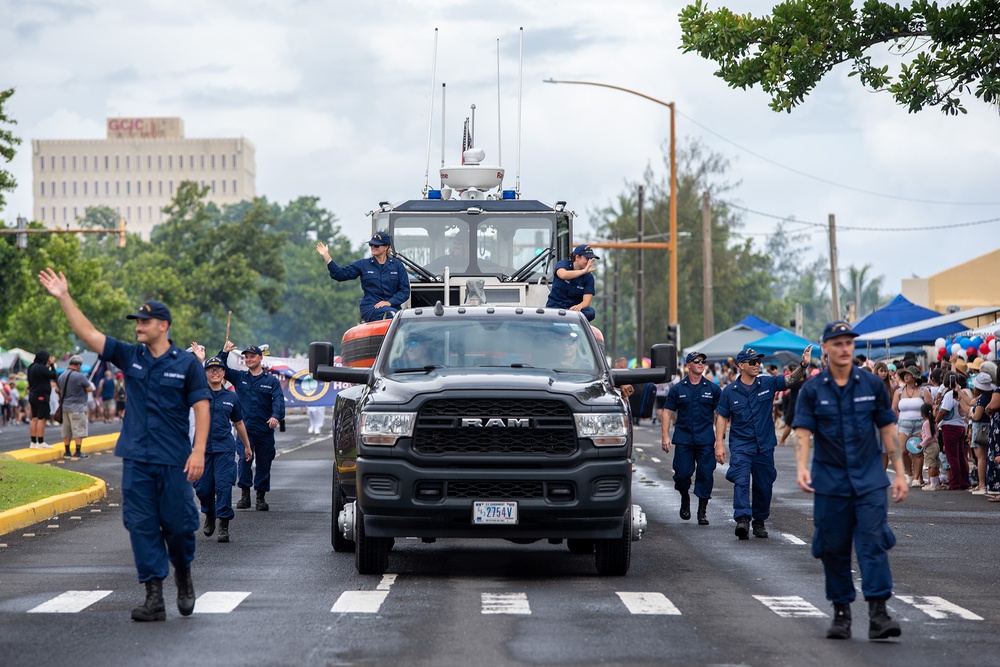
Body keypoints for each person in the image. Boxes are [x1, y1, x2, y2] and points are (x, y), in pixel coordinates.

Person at [38, 268, 210, 622]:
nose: (137, 327)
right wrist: (63, 297)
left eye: (144, 322)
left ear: (163, 325)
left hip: (175, 459)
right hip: (136, 458)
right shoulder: (130, 356)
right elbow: (87, 334)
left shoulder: (187, 364)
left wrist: (198, 451)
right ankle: (154, 596)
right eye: (136, 322)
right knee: (142, 525)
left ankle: (184, 574)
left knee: (178, 525)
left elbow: (202, 407)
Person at [793, 320, 907, 641]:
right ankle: (841, 612)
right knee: (833, 547)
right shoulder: (813, 389)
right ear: (825, 348)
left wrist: (899, 472)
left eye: (849, 343)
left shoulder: (870, 384)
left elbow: (887, 429)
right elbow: (802, 431)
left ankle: (878, 613)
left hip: (870, 480)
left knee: (873, 543)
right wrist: (802, 467)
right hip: (830, 482)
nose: (844, 349)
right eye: (837, 343)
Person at [715, 344, 811, 540]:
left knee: (764, 484)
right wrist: (719, 444)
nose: (757, 364)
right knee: (741, 481)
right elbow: (722, 417)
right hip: (741, 445)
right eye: (753, 362)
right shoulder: (729, 391)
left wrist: (803, 365)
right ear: (741, 365)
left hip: (764, 445)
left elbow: (790, 380)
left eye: (759, 361)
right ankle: (742, 519)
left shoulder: (767, 383)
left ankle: (759, 521)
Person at [191, 351, 252, 543]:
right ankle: (209, 513)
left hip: (225, 449)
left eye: (218, 369)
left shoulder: (231, 398)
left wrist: (247, 447)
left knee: (224, 487)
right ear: (206, 373)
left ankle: (223, 524)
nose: (215, 372)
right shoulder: (199, 394)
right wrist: (198, 360)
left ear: (224, 373)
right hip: (202, 450)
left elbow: (239, 423)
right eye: (210, 370)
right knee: (203, 488)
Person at [218, 341, 286, 511]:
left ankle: (260, 496)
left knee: (264, 462)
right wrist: (224, 352)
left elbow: (278, 401)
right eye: (246, 357)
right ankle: (245, 494)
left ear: (260, 358)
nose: (249, 359)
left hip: (264, 429)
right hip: (245, 430)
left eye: (252, 356)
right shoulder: (240, 377)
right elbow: (219, 368)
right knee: (244, 461)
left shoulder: (271, 381)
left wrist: (275, 417)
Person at [661, 351, 722, 525]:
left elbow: (721, 415)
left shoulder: (712, 389)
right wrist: (665, 436)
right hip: (684, 439)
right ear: (688, 365)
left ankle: (702, 511)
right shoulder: (677, 389)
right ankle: (684, 497)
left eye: (703, 361)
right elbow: (667, 412)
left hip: (705, 440)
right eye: (697, 361)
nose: (701, 363)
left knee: (705, 475)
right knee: (682, 474)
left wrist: (719, 441)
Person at [316, 231, 410, 322]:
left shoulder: (397, 265)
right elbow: (340, 274)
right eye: (371, 245)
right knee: (391, 315)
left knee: (406, 321)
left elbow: (404, 291)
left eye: (376, 245)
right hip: (371, 307)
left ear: (386, 247)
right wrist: (326, 256)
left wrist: (389, 302)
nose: (373, 247)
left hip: (393, 307)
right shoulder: (363, 264)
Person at [891, 365, 931, 487]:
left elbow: (929, 408)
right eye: (905, 375)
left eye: (909, 374)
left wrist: (927, 424)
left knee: (917, 451)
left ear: (915, 377)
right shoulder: (899, 392)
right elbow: (894, 408)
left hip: (920, 424)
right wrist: (898, 421)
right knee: (902, 451)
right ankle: (909, 473)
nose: (906, 376)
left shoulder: (924, 391)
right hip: (904, 424)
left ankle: (916, 477)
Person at [545, 244, 599, 321]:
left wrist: (579, 306)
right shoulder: (563, 264)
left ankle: (571, 320)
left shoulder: (589, 278)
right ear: (577, 257)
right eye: (587, 258)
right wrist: (583, 271)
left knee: (590, 312)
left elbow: (586, 301)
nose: (589, 262)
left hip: (573, 310)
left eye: (591, 259)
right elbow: (563, 275)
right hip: (555, 307)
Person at [936, 372, 971, 490]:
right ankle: (964, 481)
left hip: (950, 427)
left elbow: (943, 411)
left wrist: (935, 422)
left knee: (953, 457)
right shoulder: (961, 392)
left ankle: (955, 482)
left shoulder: (950, 394)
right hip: (961, 426)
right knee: (961, 456)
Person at [58, 355, 95, 459]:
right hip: (77, 406)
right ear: (78, 365)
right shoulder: (80, 376)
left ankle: (67, 451)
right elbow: (89, 389)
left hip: (65, 406)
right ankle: (78, 451)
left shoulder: (62, 375)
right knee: (78, 429)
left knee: (66, 430)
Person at [27, 350, 58, 448]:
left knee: (34, 418)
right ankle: (40, 442)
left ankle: (33, 442)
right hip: (41, 395)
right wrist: (52, 365)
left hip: (33, 394)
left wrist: (47, 366)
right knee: (42, 418)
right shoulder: (41, 368)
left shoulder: (31, 367)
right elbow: (53, 375)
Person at [918, 402, 943, 491]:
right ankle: (936, 483)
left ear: (922, 413)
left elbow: (928, 436)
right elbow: (935, 434)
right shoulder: (933, 422)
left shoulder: (926, 423)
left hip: (930, 446)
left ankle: (932, 484)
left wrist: (921, 444)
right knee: (935, 464)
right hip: (936, 444)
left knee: (931, 465)